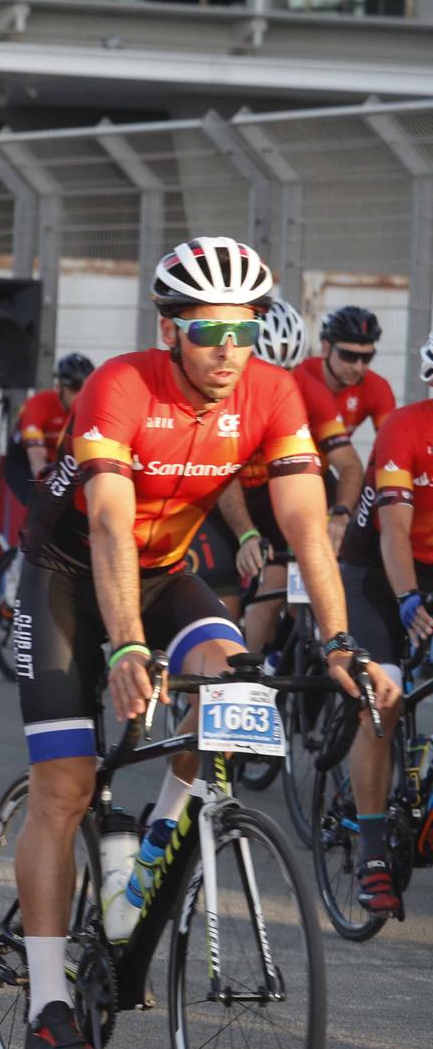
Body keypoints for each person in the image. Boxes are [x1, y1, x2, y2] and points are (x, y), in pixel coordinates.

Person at [9, 236, 397, 1049]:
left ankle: (153, 850)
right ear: (169, 327)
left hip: (170, 575)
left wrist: (338, 639)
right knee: (68, 784)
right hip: (69, 583)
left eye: (245, 330)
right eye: (208, 330)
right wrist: (126, 646)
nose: (228, 350)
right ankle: (46, 1004)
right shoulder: (120, 386)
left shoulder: (270, 390)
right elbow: (110, 523)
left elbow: (306, 525)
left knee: (236, 687)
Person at [335, 331, 433, 917]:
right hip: (376, 569)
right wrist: (408, 601)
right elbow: (395, 531)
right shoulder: (405, 427)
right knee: (386, 694)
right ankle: (372, 850)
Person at [215, 299, 359, 655]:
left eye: (287, 371)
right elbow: (221, 475)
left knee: (281, 583)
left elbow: (349, 465)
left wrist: (340, 514)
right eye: (263, 369)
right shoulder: (224, 388)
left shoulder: (303, 389)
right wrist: (246, 533)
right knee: (225, 617)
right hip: (223, 490)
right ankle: (237, 677)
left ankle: (280, 658)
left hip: (273, 491)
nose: (274, 383)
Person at [297, 305, 394, 544]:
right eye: (349, 356)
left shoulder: (376, 388)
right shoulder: (301, 376)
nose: (358, 366)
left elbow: (391, 450)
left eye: (366, 358)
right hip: (280, 474)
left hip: (322, 470)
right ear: (326, 347)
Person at [9, 354, 93, 498]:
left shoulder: (93, 408)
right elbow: (37, 459)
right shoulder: (38, 405)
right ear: (59, 387)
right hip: (26, 460)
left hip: (63, 461)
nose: (81, 395)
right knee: (38, 499)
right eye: (75, 387)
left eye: (87, 388)